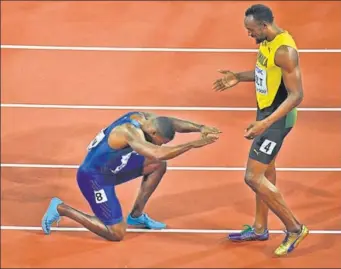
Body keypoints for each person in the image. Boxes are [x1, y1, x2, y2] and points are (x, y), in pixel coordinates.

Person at [213, 4, 308, 256]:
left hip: (276, 121)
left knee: (253, 177)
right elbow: (264, 73)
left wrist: (265, 124)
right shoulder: (266, 42)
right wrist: (238, 76)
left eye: (250, 30)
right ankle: (259, 228)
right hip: (265, 115)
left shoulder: (285, 50)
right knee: (267, 170)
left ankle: (295, 228)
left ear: (264, 26)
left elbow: (297, 95)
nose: (249, 34)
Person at [42, 111, 221, 241]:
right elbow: (157, 152)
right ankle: (61, 208)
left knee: (157, 166)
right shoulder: (128, 132)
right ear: (153, 133)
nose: (162, 144)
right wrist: (193, 144)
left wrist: (201, 127)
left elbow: (171, 123)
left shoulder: (146, 119)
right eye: (162, 141)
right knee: (116, 233)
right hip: (94, 178)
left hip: (115, 168)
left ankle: (136, 215)